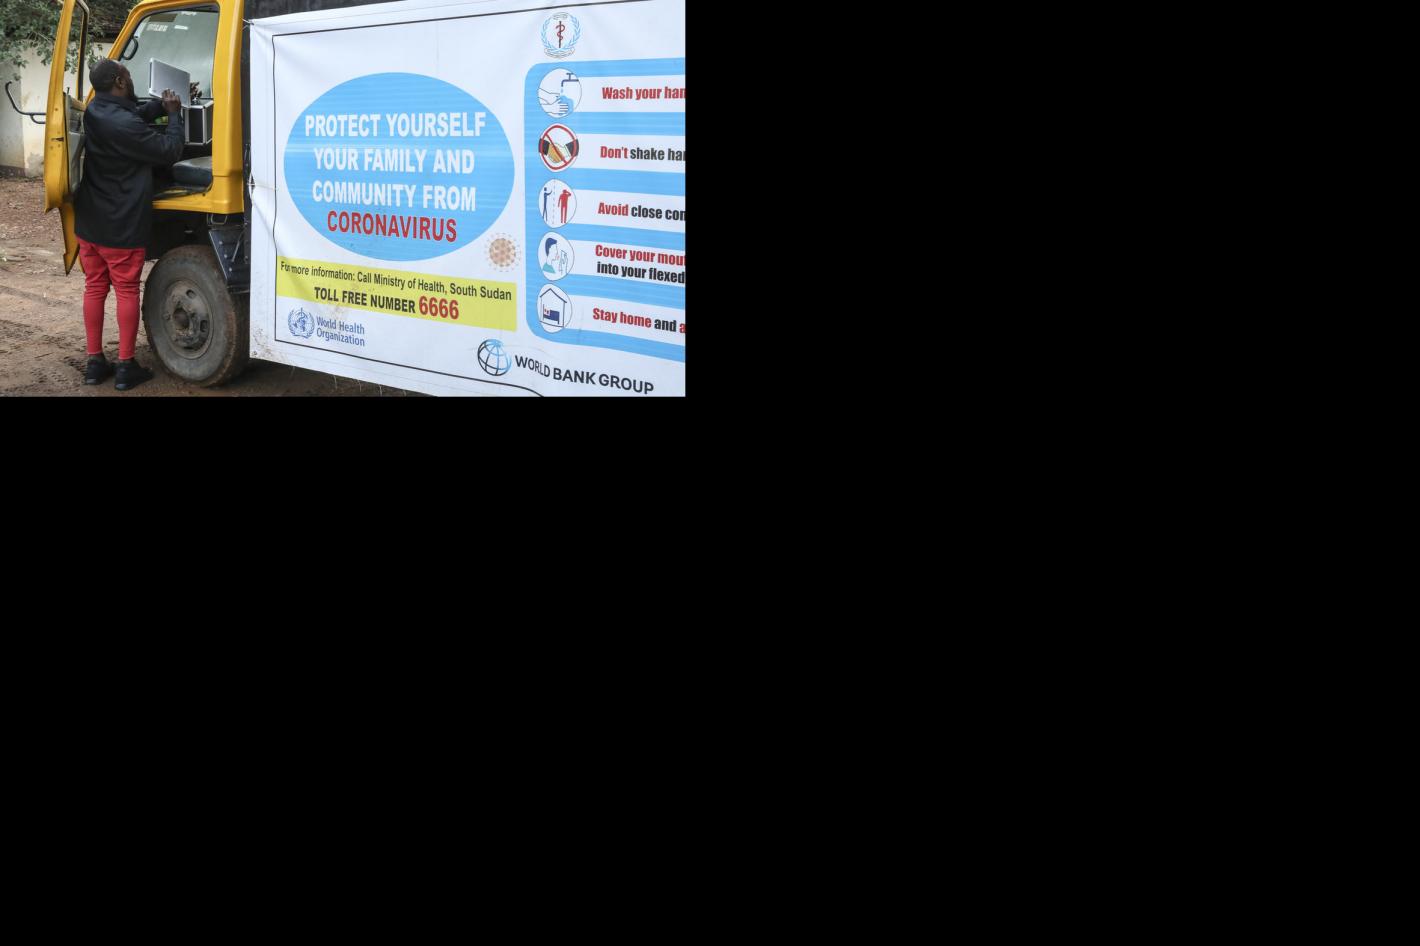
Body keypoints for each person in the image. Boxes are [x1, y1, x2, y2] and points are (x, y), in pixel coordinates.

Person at [73, 59, 190, 390]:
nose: (130, 77)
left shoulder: (95, 110)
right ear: (120, 82)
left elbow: (131, 114)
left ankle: (95, 364)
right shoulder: (125, 125)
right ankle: (125, 366)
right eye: (126, 74)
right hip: (120, 224)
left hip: (89, 221)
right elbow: (169, 150)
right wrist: (174, 115)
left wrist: (161, 105)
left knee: (95, 286)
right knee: (126, 289)